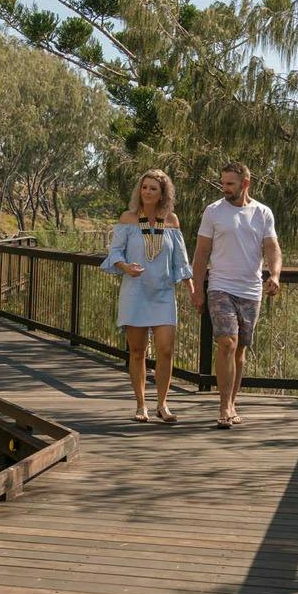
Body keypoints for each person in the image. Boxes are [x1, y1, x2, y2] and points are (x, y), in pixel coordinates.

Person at [192, 161, 282, 429]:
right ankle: (222, 407)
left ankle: (232, 402)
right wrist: (198, 289)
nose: (224, 188)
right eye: (223, 182)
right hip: (220, 287)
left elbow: (273, 249)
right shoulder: (213, 212)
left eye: (230, 183)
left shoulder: (262, 213)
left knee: (241, 348)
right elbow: (201, 254)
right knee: (227, 344)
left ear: (245, 184)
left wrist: (275, 275)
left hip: (251, 290)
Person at [101, 169, 195, 424]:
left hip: (163, 292)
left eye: (154, 188)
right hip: (136, 292)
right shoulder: (129, 219)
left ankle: (162, 404)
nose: (148, 192)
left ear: (163, 193)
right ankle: (141, 405)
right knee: (138, 351)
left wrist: (190, 286)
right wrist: (126, 268)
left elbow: (181, 258)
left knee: (165, 350)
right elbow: (115, 253)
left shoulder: (171, 220)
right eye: (144, 187)